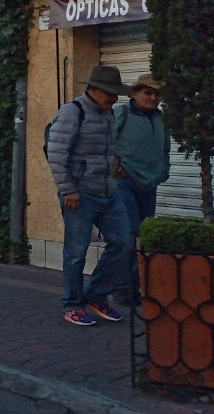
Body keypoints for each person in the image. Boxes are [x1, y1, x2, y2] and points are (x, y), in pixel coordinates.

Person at [46, 65, 133, 327]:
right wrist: (69, 190)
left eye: (117, 93)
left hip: (109, 192)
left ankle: (95, 295)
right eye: (110, 92)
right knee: (76, 252)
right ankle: (72, 304)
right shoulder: (72, 112)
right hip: (80, 195)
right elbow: (57, 154)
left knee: (124, 243)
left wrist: (116, 165)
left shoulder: (107, 114)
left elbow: (109, 148)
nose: (114, 98)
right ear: (93, 89)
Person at [112, 74, 170, 306]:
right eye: (147, 92)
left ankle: (135, 286)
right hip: (124, 184)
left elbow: (165, 147)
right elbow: (104, 140)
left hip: (149, 184)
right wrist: (114, 169)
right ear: (135, 94)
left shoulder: (161, 118)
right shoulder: (121, 113)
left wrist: (163, 170)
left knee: (143, 237)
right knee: (129, 234)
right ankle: (123, 289)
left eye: (156, 93)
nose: (153, 97)